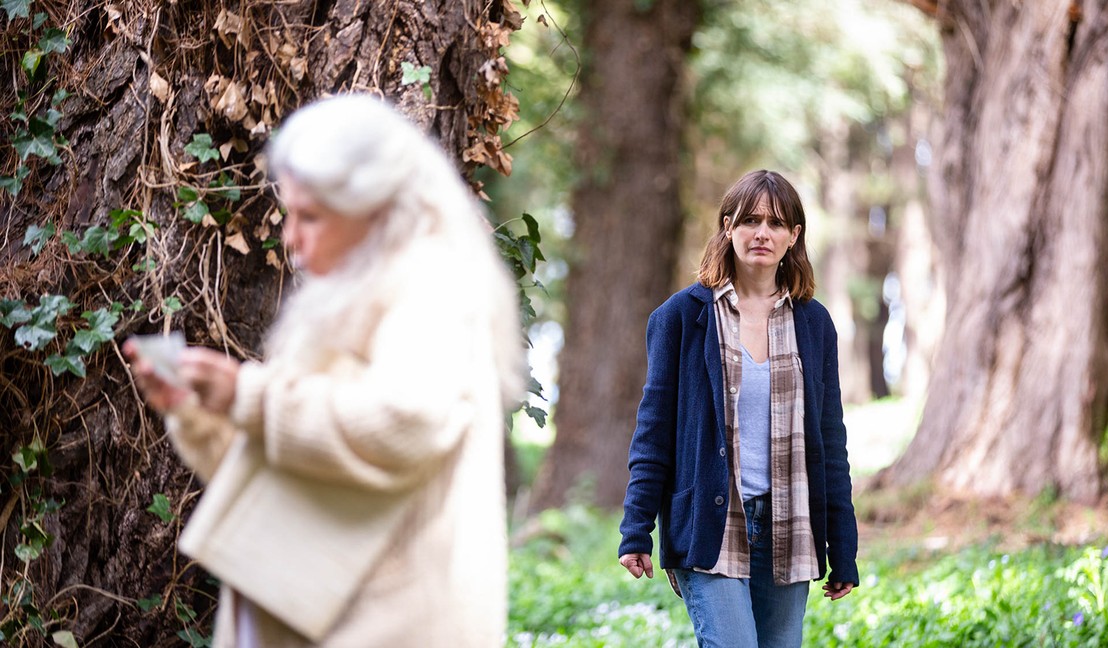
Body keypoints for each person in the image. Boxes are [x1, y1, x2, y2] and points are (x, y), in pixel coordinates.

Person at [124, 94, 524, 647]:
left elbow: (405, 421)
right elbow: (295, 464)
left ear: (373, 206)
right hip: (328, 608)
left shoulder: (432, 287)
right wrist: (197, 410)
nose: (291, 237)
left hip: (392, 621)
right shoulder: (352, 292)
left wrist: (246, 396)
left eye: (309, 216)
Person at [618, 170, 859, 647]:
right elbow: (655, 429)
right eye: (750, 220)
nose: (761, 233)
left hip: (791, 527)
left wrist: (843, 546)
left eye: (776, 223)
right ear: (728, 226)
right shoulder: (682, 317)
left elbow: (830, 443)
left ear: (794, 236)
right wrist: (636, 529)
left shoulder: (814, 324)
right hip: (711, 527)